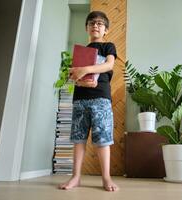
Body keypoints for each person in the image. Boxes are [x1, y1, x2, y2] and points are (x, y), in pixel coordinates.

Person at [59, 11, 118, 191]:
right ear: (87, 28)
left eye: (100, 24)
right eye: (92, 23)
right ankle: (76, 177)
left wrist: (84, 69)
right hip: (80, 98)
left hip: (101, 98)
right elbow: (72, 76)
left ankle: (106, 178)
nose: (95, 26)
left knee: (103, 139)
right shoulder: (80, 52)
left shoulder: (108, 46)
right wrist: (76, 75)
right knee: (78, 138)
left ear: (106, 30)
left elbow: (109, 65)